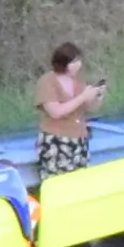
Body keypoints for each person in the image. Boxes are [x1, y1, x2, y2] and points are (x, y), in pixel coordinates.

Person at [34, 44, 107, 176]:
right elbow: (55, 112)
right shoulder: (47, 81)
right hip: (55, 139)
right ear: (62, 62)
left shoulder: (78, 82)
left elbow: (89, 109)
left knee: (80, 180)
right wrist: (82, 97)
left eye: (79, 61)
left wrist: (97, 96)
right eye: (73, 62)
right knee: (57, 180)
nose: (78, 65)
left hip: (79, 139)